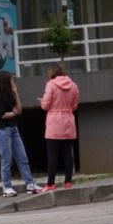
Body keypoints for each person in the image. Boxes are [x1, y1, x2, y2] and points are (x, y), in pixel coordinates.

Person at [0, 72, 41, 197]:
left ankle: (30, 184)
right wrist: (13, 113)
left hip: (13, 128)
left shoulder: (9, 95)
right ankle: (6, 187)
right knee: (6, 159)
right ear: (4, 81)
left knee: (22, 157)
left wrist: (16, 93)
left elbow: (20, 109)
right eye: (11, 81)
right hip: (2, 130)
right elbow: (2, 114)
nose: (13, 83)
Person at [39, 62, 81, 191]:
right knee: (68, 153)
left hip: (54, 122)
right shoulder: (73, 86)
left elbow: (45, 106)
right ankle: (68, 182)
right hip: (68, 121)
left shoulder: (50, 85)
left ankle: (50, 183)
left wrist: (42, 101)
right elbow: (74, 106)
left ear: (51, 72)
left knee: (53, 155)